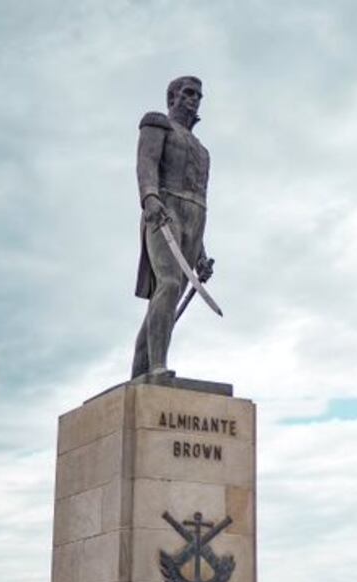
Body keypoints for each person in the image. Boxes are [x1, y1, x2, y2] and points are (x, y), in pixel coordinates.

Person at [131, 76, 215, 378]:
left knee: (168, 296)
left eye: (199, 96)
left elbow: (197, 191)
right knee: (168, 283)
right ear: (172, 97)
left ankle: (139, 371)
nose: (194, 100)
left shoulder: (203, 150)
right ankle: (157, 367)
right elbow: (146, 163)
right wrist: (149, 197)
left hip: (195, 218)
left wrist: (202, 251)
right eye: (189, 94)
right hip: (164, 209)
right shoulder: (157, 123)